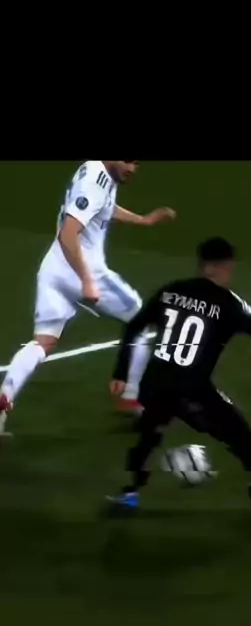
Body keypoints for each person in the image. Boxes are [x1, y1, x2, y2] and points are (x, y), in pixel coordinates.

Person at [108, 236, 251, 540]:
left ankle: (129, 493)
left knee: (150, 434)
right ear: (225, 266)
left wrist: (121, 373)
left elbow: (133, 327)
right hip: (193, 392)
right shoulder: (228, 303)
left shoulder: (171, 290)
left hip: (154, 384)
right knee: (249, 447)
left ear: (201, 264)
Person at [0, 160, 176, 435]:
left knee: (43, 343)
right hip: (83, 270)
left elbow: (102, 206)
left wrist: (143, 220)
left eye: (136, 163)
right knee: (142, 319)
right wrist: (87, 280)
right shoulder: (98, 180)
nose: (131, 169)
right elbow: (69, 232)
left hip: (54, 269)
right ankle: (131, 397)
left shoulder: (94, 168)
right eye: (127, 161)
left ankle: (4, 398)